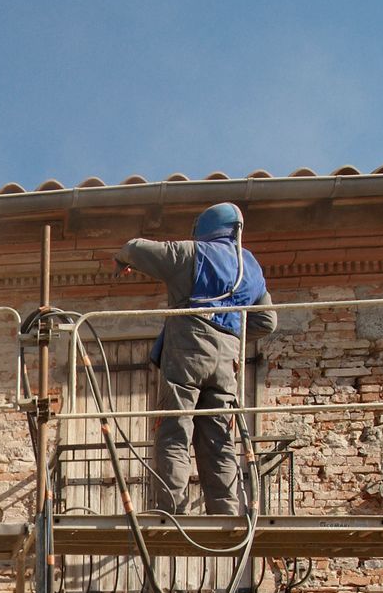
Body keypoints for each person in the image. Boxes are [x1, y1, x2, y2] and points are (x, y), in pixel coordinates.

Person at [115, 202, 276, 516]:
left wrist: (121, 259)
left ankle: (172, 509)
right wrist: (230, 332)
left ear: (204, 229)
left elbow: (135, 247)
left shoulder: (191, 254)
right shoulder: (251, 267)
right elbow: (267, 322)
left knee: (175, 428)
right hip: (227, 361)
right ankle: (226, 511)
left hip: (188, 349)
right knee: (218, 437)